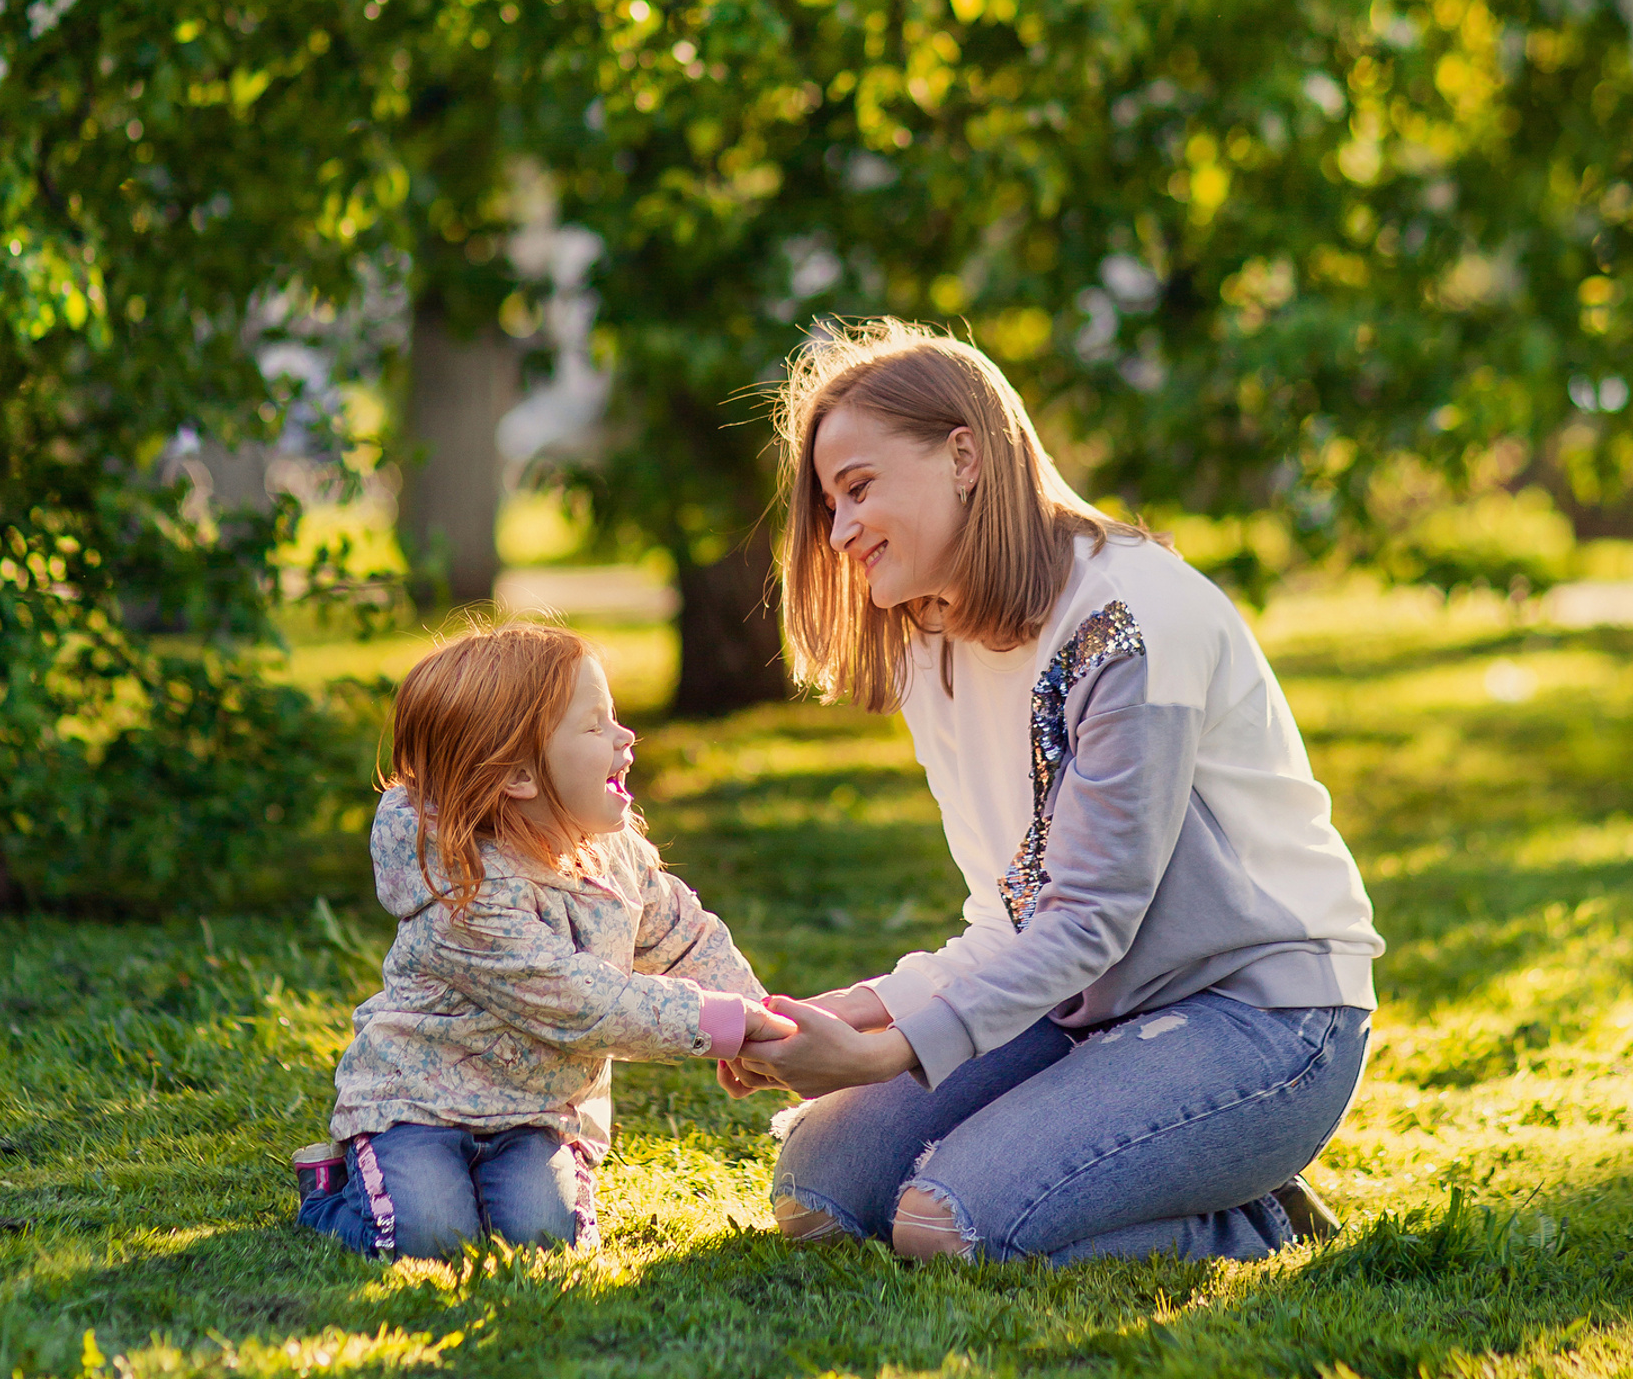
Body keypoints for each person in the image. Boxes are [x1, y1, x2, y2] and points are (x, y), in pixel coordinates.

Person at [724, 318, 1382, 1265]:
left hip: (1261, 1015)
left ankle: (1250, 1214)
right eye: (830, 505)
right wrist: (849, 1009)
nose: (841, 533)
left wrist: (883, 1053)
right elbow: (1012, 913)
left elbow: (1087, 921)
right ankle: (1128, 1143)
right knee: (822, 1195)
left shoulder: (1130, 622)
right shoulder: (932, 644)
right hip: (1083, 1008)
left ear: (963, 455)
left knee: (947, 1228)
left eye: (859, 490)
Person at [293, 621, 786, 1259]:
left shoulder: (613, 853)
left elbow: (686, 938)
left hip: (537, 1114)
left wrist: (763, 1020)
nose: (625, 735)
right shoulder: (462, 889)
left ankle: (482, 1183)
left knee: (543, 1239)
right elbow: (577, 1000)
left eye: (615, 717)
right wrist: (717, 1024)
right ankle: (332, 1194)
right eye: (596, 725)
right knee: (428, 1238)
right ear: (521, 776)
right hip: (416, 1104)